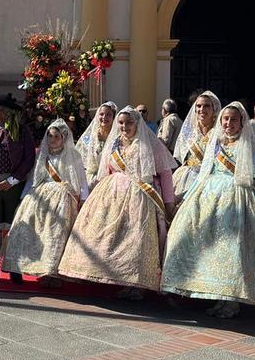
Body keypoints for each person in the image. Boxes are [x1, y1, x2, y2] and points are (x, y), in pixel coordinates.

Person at [161, 102, 255, 318]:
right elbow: (204, 175)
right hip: (210, 198)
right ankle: (217, 296)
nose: (228, 123)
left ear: (242, 122)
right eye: (225, 119)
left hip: (239, 200)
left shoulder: (247, 144)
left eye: (233, 119)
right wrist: (185, 197)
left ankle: (232, 301)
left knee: (234, 250)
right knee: (211, 250)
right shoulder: (215, 144)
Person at [60, 107, 177, 299]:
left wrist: (169, 202)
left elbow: (165, 173)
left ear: (137, 123)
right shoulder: (113, 143)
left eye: (129, 123)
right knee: (104, 236)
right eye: (121, 123)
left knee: (135, 239)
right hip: (111, 193)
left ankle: (136, 283)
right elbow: (105, 171)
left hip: (140, 197)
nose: (124, 126)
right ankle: (102, 274)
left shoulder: (150, 143)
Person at [0, 119, 88, 285]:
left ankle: (52, 273)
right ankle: (22, 267)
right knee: (26, 228)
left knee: (55, 235)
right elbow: (33, 178)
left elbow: (81, 180)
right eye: (49, 136)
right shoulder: (42, 154)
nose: (52, 139)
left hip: (63, 199)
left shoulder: (74, 156)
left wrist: (83, 199)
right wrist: (24, 196)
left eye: (56, 136)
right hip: (41, 195)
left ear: (64, 138)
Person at [0, 94, 36, 282]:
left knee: (13, 228)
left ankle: (13, 267)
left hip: (14, 186)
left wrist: (12, 180)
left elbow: (28, 159)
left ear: (10, 113)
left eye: (2, 111)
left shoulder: (23, 132)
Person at [173, 91, 222, 203]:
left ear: (214, 109)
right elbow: (181, 156)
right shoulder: (189, 131)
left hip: (211, 179)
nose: (202, 109)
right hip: (186, 177)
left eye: (206, 106)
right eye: (199, 106)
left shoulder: (220, 133)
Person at [76, 101, 118, 188]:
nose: (104, 117)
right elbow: (80, 158)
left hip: (112, 179)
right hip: (93, 178)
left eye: (108, 114)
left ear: (114, 117)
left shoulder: (118, 137)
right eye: (101, 114)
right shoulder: (91, 137)